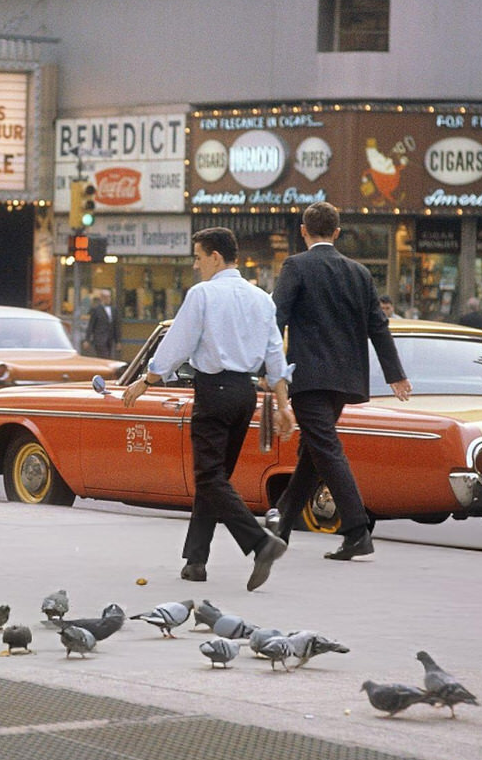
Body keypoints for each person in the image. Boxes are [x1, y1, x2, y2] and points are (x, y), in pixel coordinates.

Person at [121, 226, 292, 590]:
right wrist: (282, 405)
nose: (196, 266)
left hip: (213, 391)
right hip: (245, 395)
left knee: (209, 477)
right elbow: (276, 358)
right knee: (213, 479)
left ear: (215, 257)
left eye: (198, 258)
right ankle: (195, 561)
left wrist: (146, 380)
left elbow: (177, 344)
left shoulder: (202, 294)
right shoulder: (262, 299)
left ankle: (260, 543)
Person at [270, 201, 411, 563]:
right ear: (336, 232)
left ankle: (356, 529)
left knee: (325, 449)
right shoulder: (359, 272)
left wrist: (268, 369)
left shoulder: (295, 266)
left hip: (309, 377)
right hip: (346, 378)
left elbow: (276, 320)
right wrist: (395, 374)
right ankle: (281, 523)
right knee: (313, 451)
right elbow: (377, 326)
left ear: (303, 230)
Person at [84, 287, 117, 358]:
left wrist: (118, 341)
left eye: (109, 297)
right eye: (106, 297)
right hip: (99, 338)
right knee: (104, 355)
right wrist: (87, 339)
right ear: (102, 298)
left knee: (108, 356)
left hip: (110, 339)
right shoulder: (96, 310)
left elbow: (116, 325)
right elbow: (91, 325)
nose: (108, 299)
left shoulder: (113, 310)